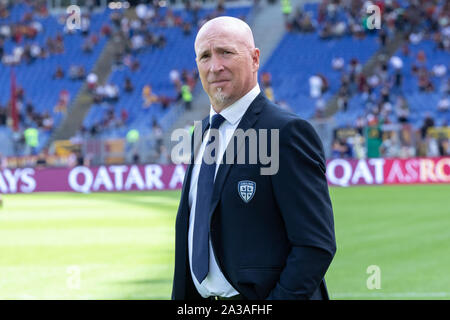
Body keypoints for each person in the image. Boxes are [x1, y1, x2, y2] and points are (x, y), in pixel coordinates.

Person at [172, 16, 336, 300]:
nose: (215, 66)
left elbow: (315, 245)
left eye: (226, 52)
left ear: (254, 58)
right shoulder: (201, 135)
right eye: (205, 56)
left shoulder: (286, 132)